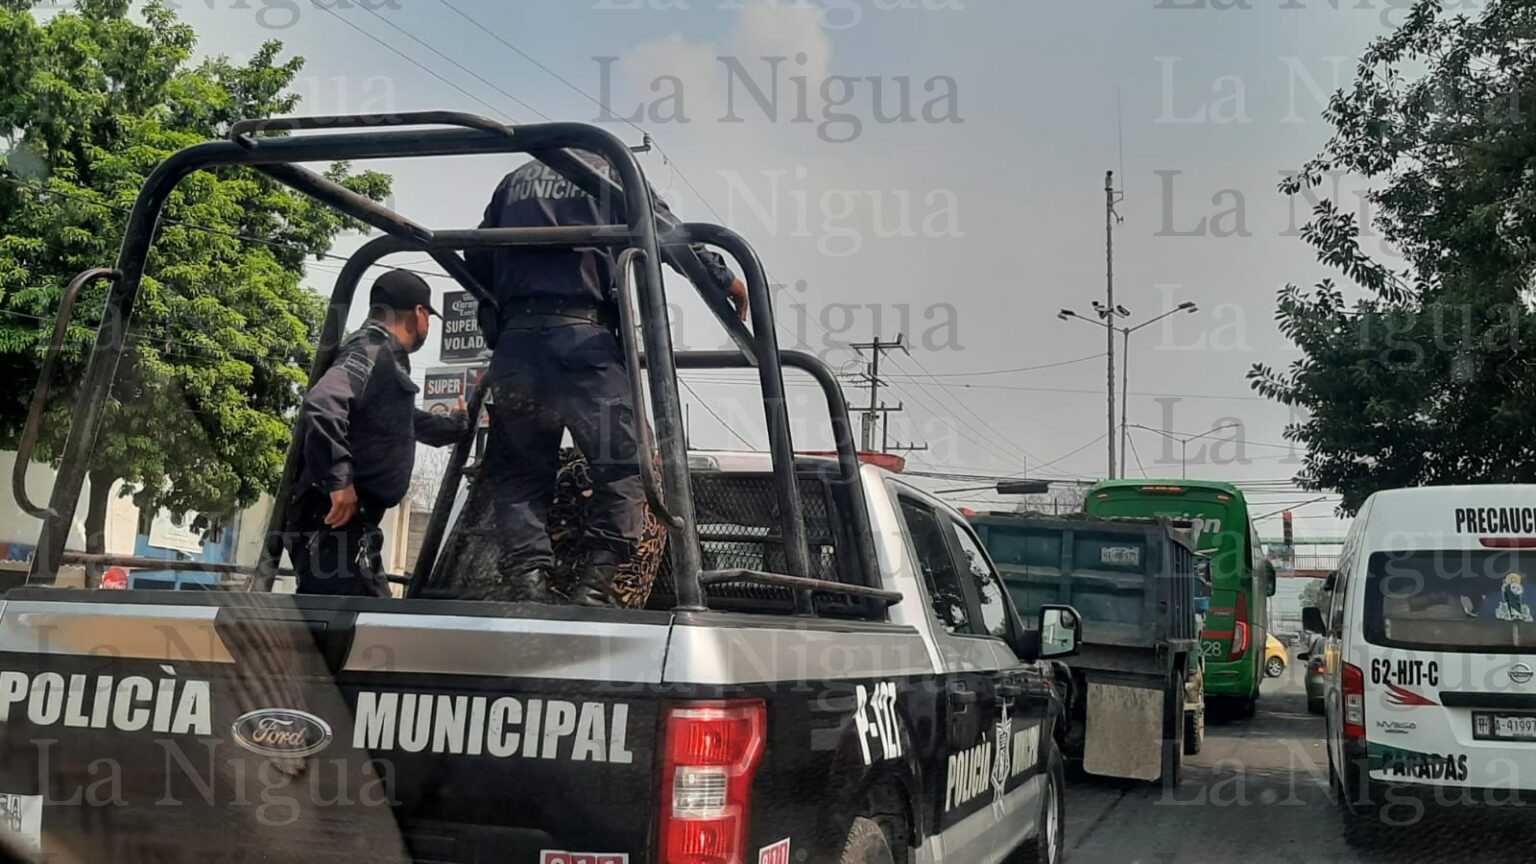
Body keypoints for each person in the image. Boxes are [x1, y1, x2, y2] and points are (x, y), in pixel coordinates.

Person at [463, 151, 748, 606]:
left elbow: (474, 256)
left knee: (517, 473)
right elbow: (669, 234)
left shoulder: (515, 179)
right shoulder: (612, 171)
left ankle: (529, 583)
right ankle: (595, 586)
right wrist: (725, 279)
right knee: (625, 464)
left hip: (516, 345)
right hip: (584, 342)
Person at [287, 270, 469, 596]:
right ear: (418, 314)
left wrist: (453, 427)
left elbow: (397, 420)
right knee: (353, 631)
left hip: (348, 527)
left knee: (363, 626)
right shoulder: (371, 349)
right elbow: (324, 404)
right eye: (429, 317)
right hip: (332, 522)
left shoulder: (383, 357)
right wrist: (339, 480)